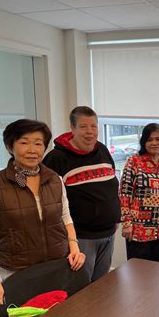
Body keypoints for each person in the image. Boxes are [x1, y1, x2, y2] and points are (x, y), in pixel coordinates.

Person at [0, 119, 85, 310]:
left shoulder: (54, 179)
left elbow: (65, 216)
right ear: (9, 146)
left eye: (38, 143)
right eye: (24, 142)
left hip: (57, 266)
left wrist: (74, 246)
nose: (32, 149)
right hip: (18, 271)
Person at [43, 106, 121, 283]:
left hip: (108, 232)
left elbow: (110, 184)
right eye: (84, 127)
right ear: (72, 128)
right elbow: (50, 201)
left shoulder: (102, 149)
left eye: (94, 126)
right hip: (80, 237)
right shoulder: (56, 158)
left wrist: (116, 217)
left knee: (101, 285)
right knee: (80, 287)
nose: (90, 132)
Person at [120, 123, 159, 262]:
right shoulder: (134, 162)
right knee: (138, 272)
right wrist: (127, 223)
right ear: (143, 142)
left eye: (158, 139)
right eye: (149, 139)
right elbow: (124, 194)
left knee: (154, 270)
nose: (154, 143)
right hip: (137, 229)